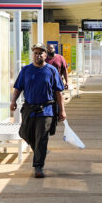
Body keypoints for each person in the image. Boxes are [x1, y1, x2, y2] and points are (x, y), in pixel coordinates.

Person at [10, 43, 67, 178]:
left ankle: (38, 166)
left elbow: (59, 92)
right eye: (35, 53)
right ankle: (40, 151)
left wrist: (62, 111)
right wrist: (13, 101)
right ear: (32, 55)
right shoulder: (26, 70)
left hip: (46, 109)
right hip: (29, 108)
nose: (38, 55)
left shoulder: (51, 70)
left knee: (41, 137)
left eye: (41, 53)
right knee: (24, 133)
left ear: (45, 55)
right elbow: (18, 87)